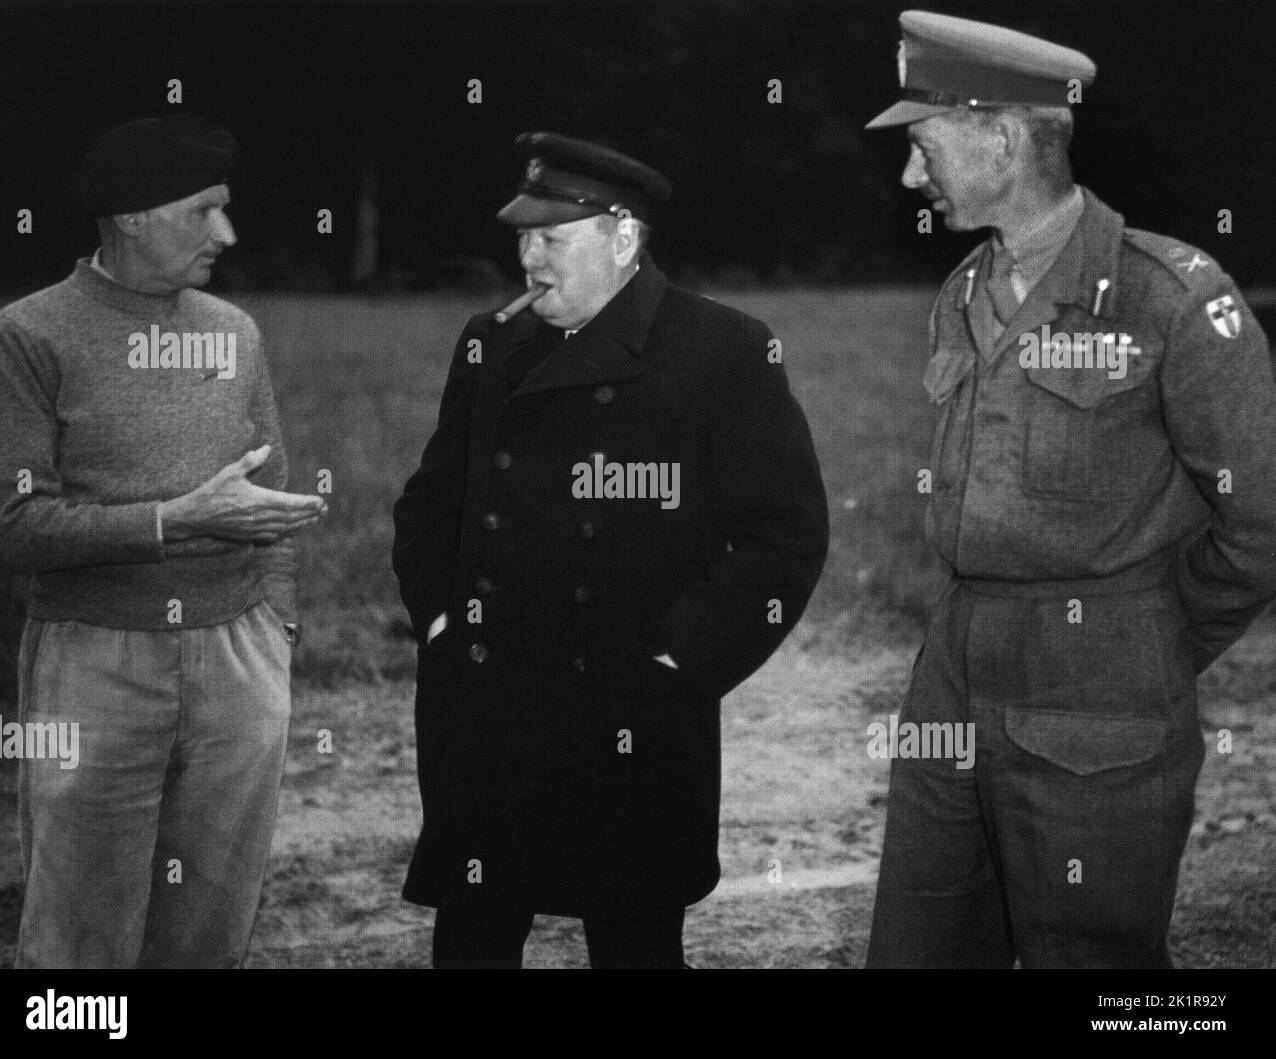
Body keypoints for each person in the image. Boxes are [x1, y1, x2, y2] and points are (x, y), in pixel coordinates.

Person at [863, 11, 1276, 967]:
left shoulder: (1167, 296)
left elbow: (1261, 517)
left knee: (1093, 963)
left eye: (923, 148)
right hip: (953, 669)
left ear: (1002, 137)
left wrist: (1152, 637)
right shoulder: (965, 289)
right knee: (921, 942)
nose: (910, 178)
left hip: (1098, 686)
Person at [392, 131, 829, 968]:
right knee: (474, 939)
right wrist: (443, 619)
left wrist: (682, 658)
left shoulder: (722, 350)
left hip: (632, 711)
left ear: (623, 237)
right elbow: (431, 504)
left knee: (634, 944)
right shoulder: (491, 344)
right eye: (523, 236)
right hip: (491, 703)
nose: (529, 257)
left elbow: (784, 534)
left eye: (552, 238)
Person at [0, 115, 326, 967]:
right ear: (133, 216)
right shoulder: (28, 335)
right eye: (205, 210)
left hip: (240, 659)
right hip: (94, 661)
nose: (228, 233)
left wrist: (275, 634)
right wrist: (175, 520)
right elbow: (12, 528)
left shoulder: (235, 330)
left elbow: (272, 497)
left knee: (208, 922)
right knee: (78, 933)